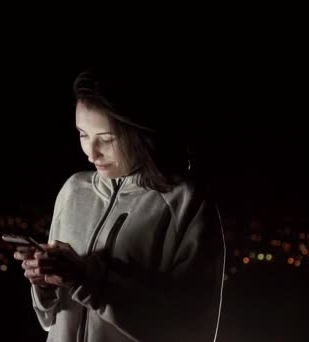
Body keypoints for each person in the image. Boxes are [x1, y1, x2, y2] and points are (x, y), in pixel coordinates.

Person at [13, 65, 226, 342]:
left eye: (107, 139)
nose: (91, 152)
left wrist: (84, 279)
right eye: (82, 134)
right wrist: (44, 283)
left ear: (138, 132)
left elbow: (189, 330)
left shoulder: (186, 204)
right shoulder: (73, 190)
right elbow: (48, 319)